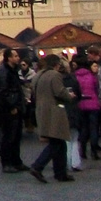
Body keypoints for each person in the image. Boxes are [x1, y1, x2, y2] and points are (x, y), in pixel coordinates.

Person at [28, 55, 76, 183]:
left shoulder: (37, 75)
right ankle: (38, 166)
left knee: (59, 142)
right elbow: (59, 92)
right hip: (54, 111)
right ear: (56, 64)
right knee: (57, 142)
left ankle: (60, 173)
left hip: (41, 110)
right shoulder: (55, 75)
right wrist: (69, 95)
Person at [0, 50, 28, 173]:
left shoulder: (12, 71)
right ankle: (7, 163)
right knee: (9, 136)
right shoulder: (4, 72)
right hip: (8, 110)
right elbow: (3, 92)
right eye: (15, 56)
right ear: (9, 58)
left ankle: (16, 161)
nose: (18, 58)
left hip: (16, 107)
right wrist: (11, 106)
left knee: (16, 136)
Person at [73, 53, 101, 161]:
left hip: (81, 104)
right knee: (94, 128)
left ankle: (83, 151)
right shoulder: (91, 76)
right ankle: (94, 151)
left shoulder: (75, 76)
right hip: (93, 103)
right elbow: (96, 88)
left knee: (84, 128)